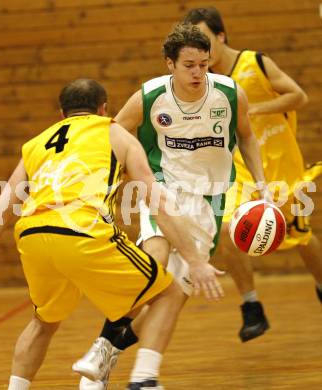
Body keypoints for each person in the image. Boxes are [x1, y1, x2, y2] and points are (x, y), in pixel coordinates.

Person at [0, 78, 225, 390]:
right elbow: (156, 200)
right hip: (82, 229)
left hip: (32, 234)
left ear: (61, 113)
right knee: (170, 292)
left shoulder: (36, 144)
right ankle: (143, 379)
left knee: (43, 322)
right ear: (104, 108)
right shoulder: (114, 132)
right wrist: (195, 260)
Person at [79, 23, 267, 390]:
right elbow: (113, 132)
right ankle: (102, 347)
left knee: (176, 293)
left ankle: (142, 376)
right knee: (155, 261)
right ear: (170, 64)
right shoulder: (149, 97)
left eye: (204, 64)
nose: (198, 72)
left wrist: (260, 182)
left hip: (209, 202)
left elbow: (246, 135)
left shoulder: (229, 94)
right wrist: (115, 182)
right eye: (189, 65)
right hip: (163, 190)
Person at [183, 6, 322, 342]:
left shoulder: (254, 63)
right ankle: (251, 305)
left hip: (280, 166)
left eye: (204, 40)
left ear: (220, 36)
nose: (200, 49)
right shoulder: (204, 83)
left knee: (299, 237)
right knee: (222, 227)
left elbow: (297, 96)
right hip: (242, 169)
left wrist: (254, 108)